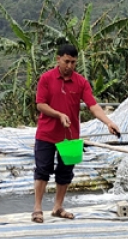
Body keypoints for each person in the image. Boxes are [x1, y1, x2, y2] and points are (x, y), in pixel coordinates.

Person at [33, 43, 121, 222]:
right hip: (47, 133)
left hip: (71, 135)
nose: (70, 66)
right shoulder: (46, 79)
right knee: (43, 170)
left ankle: (58, 207)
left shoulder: (81, 82)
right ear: (58, 59)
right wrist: (59, 115)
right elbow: (40, 104)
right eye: (66, 61)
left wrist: (108, 122)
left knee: (66, 172)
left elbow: (93, 106)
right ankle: (37, 208)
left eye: (73, 62)